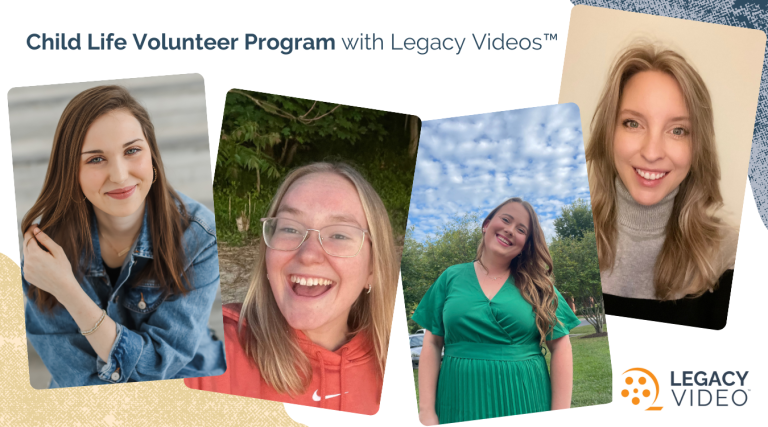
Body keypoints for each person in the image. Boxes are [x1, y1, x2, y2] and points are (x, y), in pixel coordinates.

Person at [21, 85, 226, 388]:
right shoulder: (46, 252)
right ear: (71, 172)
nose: (119, 174)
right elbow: (76, 379)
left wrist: (69, 291)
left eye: (132, 151)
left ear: (153, 158)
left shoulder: (198, 237)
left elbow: (160, 364)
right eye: (95, 159)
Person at [185, 162, 398, 415]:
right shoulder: (206, 348)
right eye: (289, 228)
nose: (308, 255)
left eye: (339, 235)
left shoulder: (397, 371)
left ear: (373, 268)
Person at [586, 43, 738, 329]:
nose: (652, 152)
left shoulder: (732, 257)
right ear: (608, 132)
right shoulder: (565, 243)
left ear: (697, 147)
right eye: (633, 123)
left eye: (677, 130)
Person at [413, 198, 580, 425]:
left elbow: (561, 345)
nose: (510, 230)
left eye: (521, 229)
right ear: (486, 224)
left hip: (526, 398)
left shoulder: (539, 286)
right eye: (506, 220)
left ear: (526, 244)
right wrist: (426, 411)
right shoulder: (450, 277)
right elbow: (432, 343)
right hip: (458, 399)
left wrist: (559, 417)